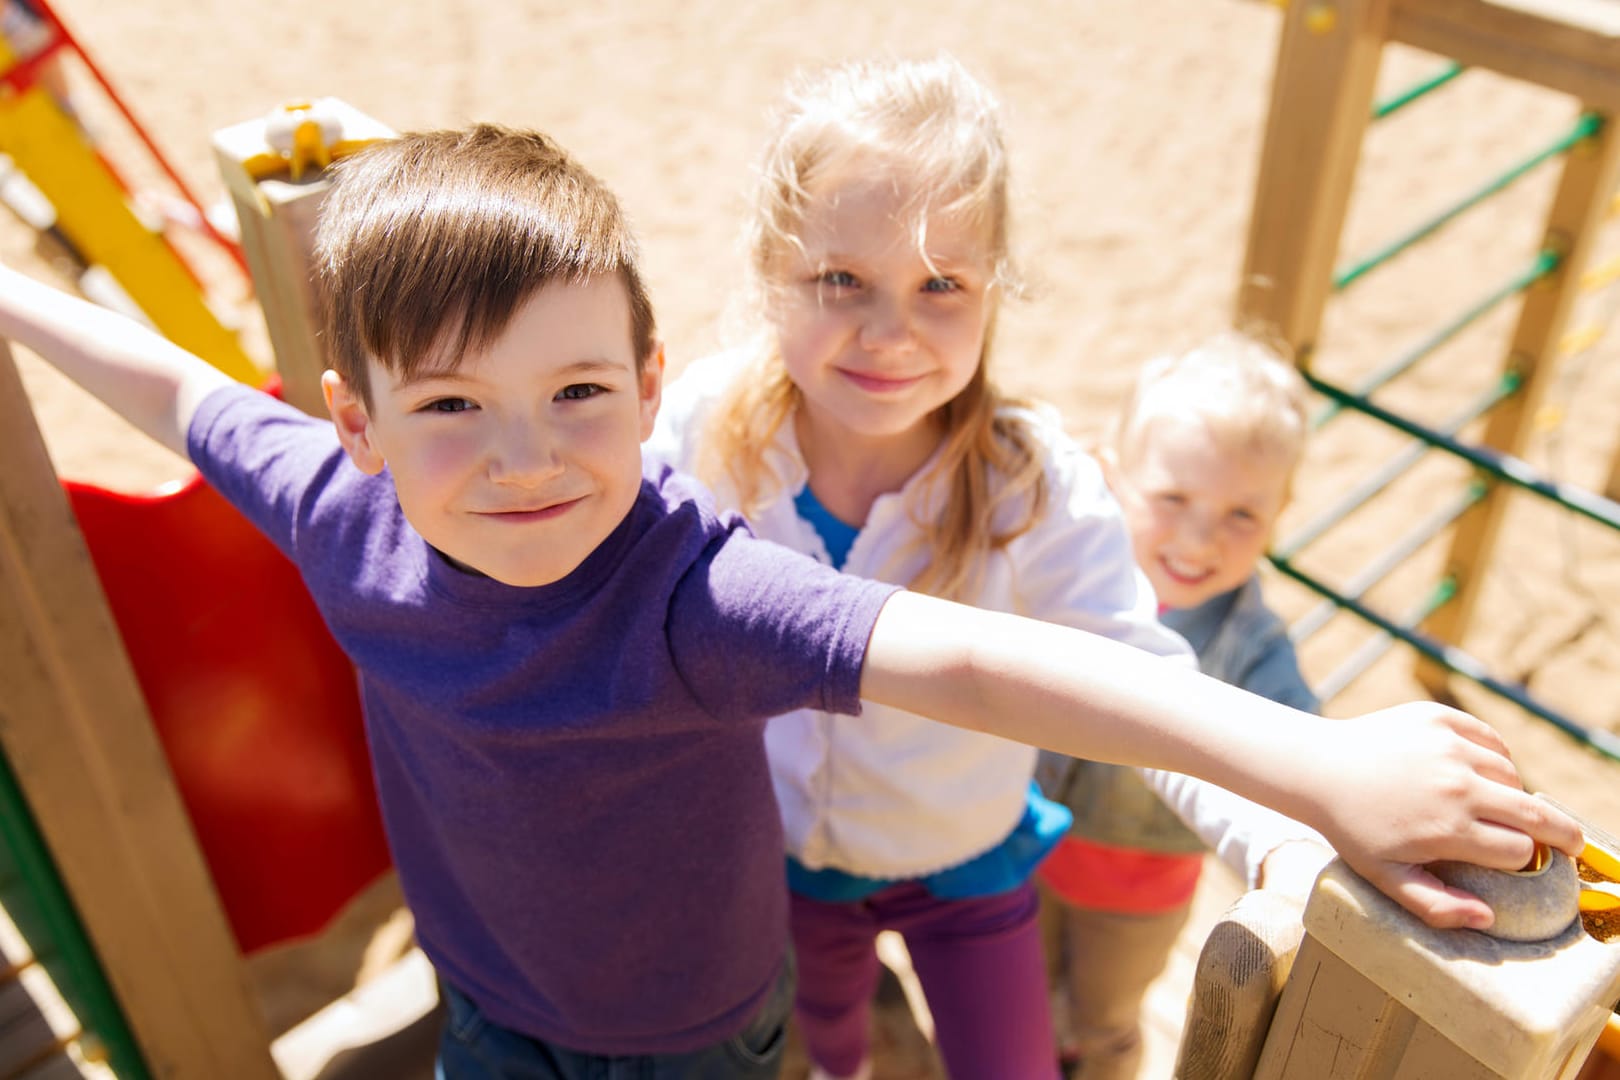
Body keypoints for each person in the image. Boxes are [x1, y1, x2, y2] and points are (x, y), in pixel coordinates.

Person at [0, 122, 1578, 1080]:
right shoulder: (338, 513)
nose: (529, 458)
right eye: (454, 410)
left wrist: (1312, 769)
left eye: (577, 393)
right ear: (356, 426)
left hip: (697, 1033)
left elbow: (977, 657)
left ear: (650, 384)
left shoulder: (692, 595)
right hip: (490, 1007)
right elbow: (169, 385)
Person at [641, 56, 1499, 1080]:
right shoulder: (703, 428)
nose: (890, 332)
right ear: (769, 268)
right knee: (831, 1040)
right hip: (779, 860)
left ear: (995, 288)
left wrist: (1279, 831)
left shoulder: (1031, 487)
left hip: (963, 861)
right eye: (840, 280)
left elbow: (1141, 675)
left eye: (941, 286)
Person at [1036, 331, 1321, 1079]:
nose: (1200, 539)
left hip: (1137, 894)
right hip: (1024, 845)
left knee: (1103, 1022)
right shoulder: (1073, 580)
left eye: (1241, 516)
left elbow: (1306, 745)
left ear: (1280, 511)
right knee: (1024, 995)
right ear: (1113, 476)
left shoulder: (1251, 646)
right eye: (1172, 498)